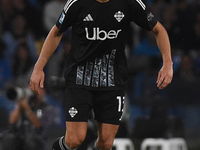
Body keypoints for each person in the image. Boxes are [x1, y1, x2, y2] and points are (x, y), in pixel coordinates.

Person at [29, 0, 173, 149]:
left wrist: (168, 63)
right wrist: (38, 67)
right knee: (74, 139)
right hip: (80, 79)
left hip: (112, 81)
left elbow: (159, 30)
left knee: (106, 142)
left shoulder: (129, 3)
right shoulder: (77, 3)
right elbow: (56, 32)